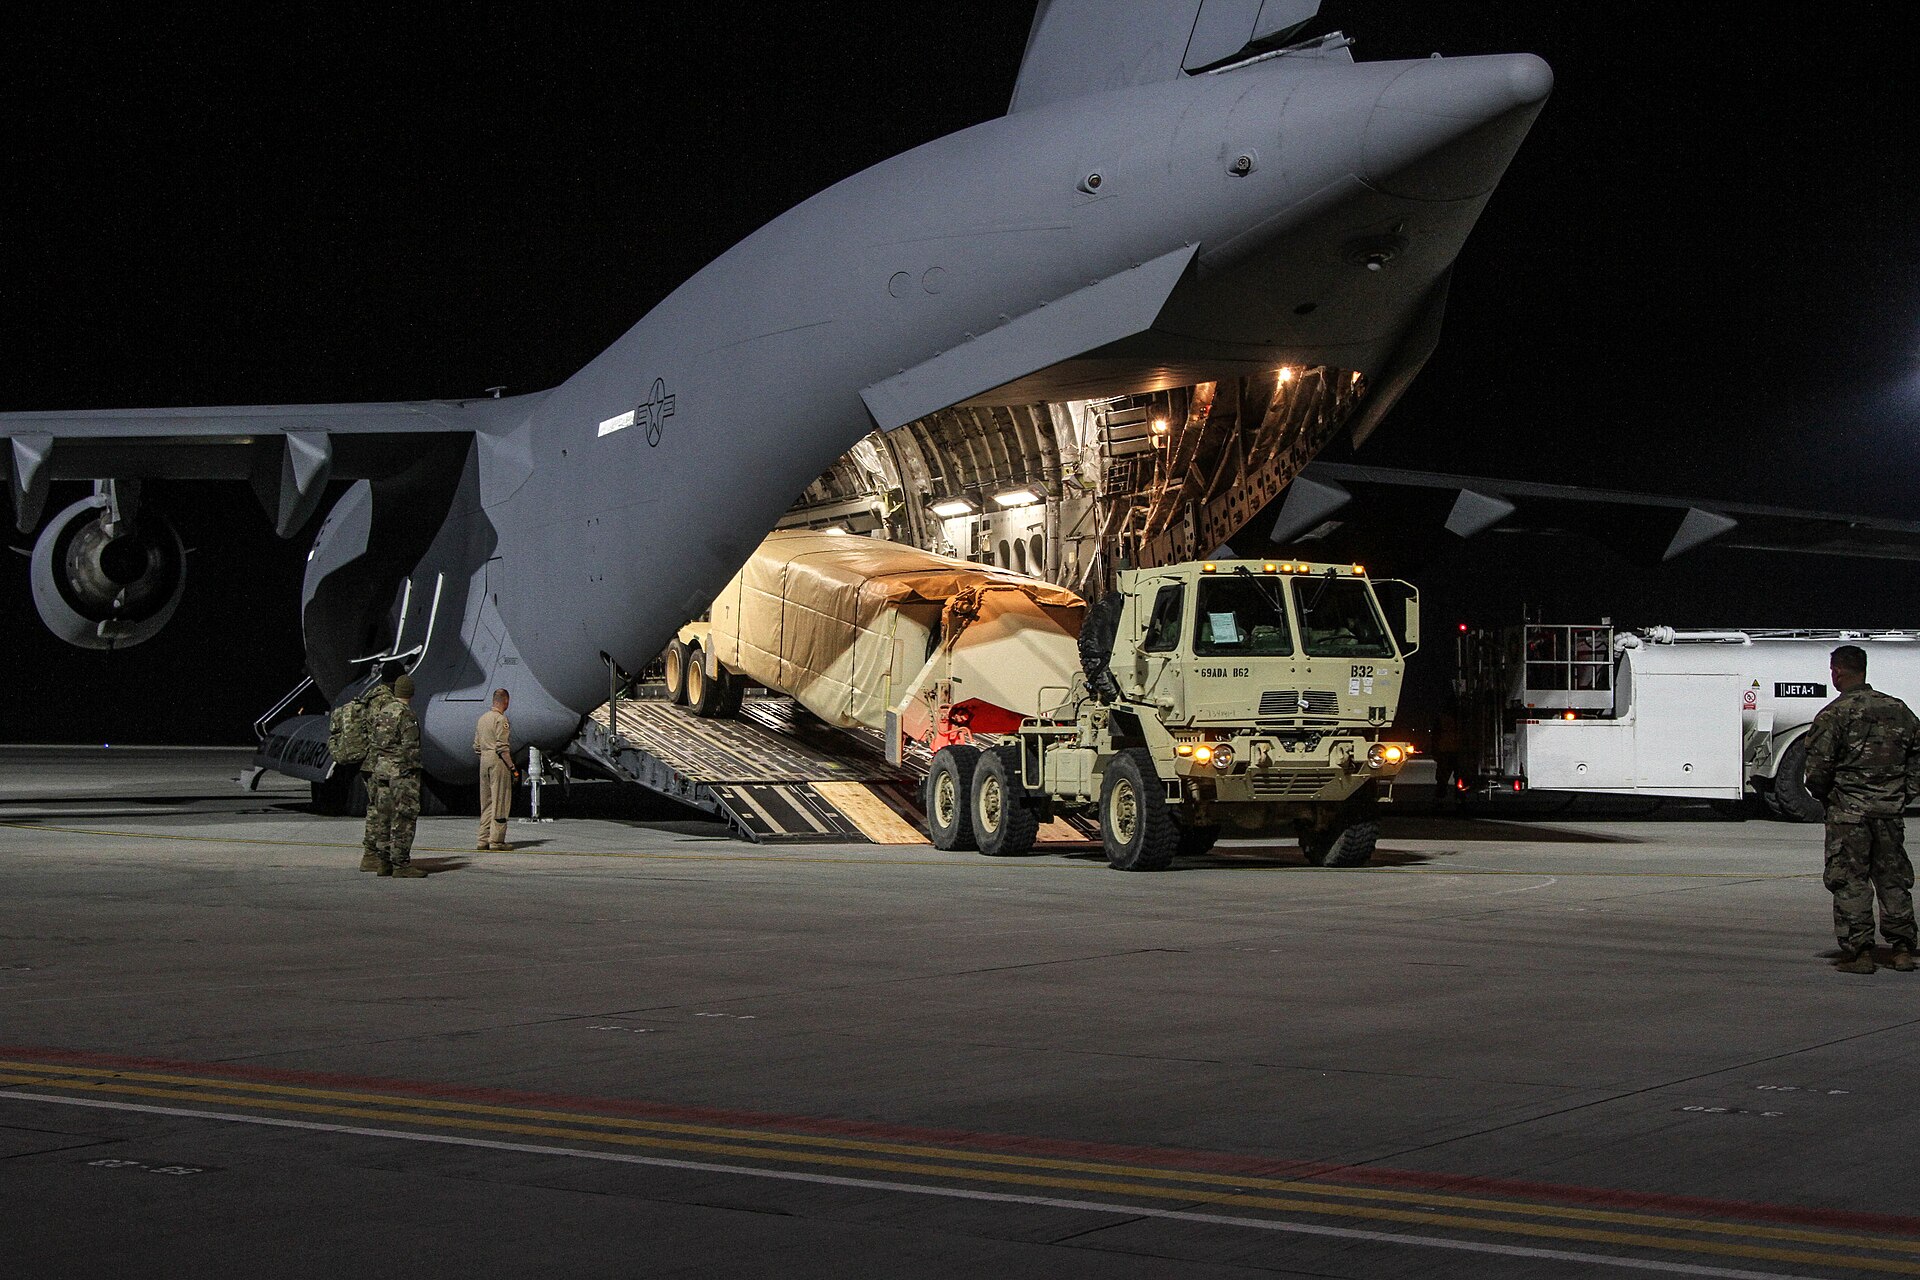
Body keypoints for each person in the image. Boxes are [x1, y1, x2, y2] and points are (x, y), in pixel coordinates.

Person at [1802, 644, 1919, 973]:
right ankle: (1902, 950)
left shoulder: (1834, 714)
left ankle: (1861, 953)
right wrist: (1904, 792)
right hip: (1889, 812)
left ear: (1837, 671)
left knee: (1850, 880)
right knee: (1893, 879)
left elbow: (1818, 770)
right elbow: (1917, 755)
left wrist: (1829, 798)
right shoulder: (1898, 709)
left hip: (1848, 814)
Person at [365, 674, 428, 878]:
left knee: (384, 816)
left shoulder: (383, 712)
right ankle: (401, 864)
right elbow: (411, 748)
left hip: (381, 771)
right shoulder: (406, 714)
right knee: (404, 817)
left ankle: (383, 862)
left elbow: (375, 743)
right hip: (402, 774)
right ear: (410, 692)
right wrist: (414, 769)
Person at [355, 670, 399, 873]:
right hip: (381, 762)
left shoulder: (369, 697)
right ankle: (376, 855)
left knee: (374, 808)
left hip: (367, 761)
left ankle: (371, 855)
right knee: (383, 810)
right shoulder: (388, 702)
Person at [474, 688, 517, 851]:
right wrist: (512, 767)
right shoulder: (500, 720)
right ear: (505, 701)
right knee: (500, 800)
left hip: (484, 760)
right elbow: (502, 748)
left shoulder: (482, 719)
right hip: (497, 761)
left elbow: (476, 746)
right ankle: (497, 841)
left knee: (486, 802)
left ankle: (482, 839)